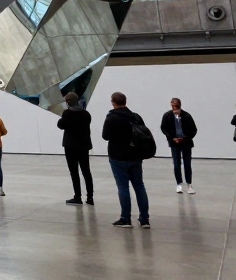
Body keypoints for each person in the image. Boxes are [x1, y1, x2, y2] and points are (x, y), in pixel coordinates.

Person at [101, 91, 151, 228]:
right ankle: (144, 218)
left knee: (123, 187)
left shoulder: (111, 117)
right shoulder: (135, 116)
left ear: (113, 102)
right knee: (139, 186)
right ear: (125, 101)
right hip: (135, 156)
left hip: (118, 156)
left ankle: (126, 218)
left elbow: (105, 136)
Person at [58, 92, 94, 205]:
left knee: (74, 172)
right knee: (86, 171)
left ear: (68, 102)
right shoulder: (86, 114)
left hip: (71, 146)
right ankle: (90, 197)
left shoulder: (67, 114)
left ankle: (77, 196)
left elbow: (60, 125)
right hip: (83, 145)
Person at [160, 97, 198, 194]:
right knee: (176, 164)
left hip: (186, 143)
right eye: (173, 106)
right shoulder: (167, 115)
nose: (174, 108)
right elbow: (164, 128)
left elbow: (193, 130)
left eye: (176, 106)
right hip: (174, 143)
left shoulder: (187, 116)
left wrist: (185, 138)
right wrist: (172, 137)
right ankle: (179, 184)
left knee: (187, 164)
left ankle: (189, 184)